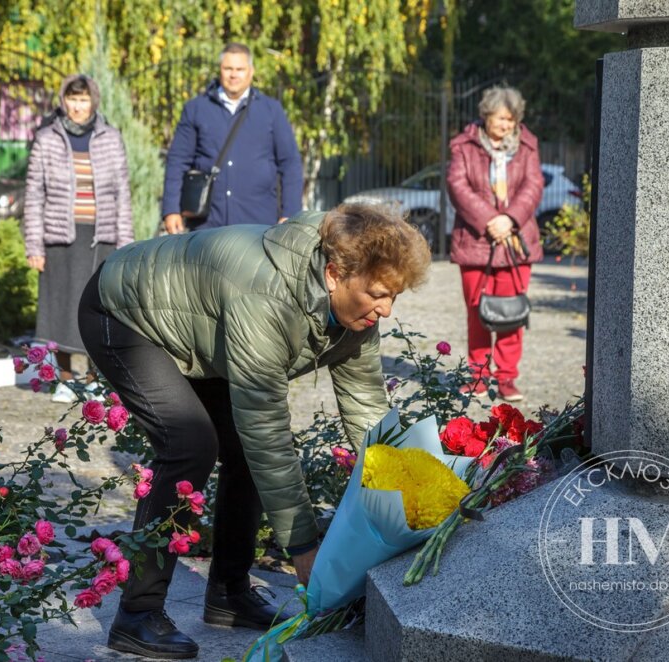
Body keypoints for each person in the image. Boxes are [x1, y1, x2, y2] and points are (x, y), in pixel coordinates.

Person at [78, 204, 431, 659]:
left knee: (242, 447)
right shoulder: (267, 297)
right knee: (190, 445)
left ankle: (229, 593)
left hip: (200, 328)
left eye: (394, 297)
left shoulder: (358, 313)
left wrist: (413, 497)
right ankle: (137, 616)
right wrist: (304, 550)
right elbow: (266, 429)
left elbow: (367, 408)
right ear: (333, 274)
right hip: (124, 312)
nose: (385, 309)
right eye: (380, 294)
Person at [23, 74, 134, 402]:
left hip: (101, 237)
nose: (78, 106)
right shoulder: (47, 138)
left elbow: (122, 193)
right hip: (60, 236)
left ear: (93, 101)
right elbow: (33, 193)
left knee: (97, 310)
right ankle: (65, 379)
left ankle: (92, 379)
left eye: (84, 100)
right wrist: (34, 245)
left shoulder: (110, 138)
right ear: (63, 100)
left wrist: (125, 243)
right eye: (72, 99)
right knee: (60, 309)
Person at [447, 85, 544, 402]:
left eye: (511, 119)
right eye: (501, 118)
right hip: (476, 241)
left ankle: (506, 379)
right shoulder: (464, 145)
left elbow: (534, 185)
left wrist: (510, 219)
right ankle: (477, 376)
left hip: (516, 242)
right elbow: (457, 184)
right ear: (486, 116)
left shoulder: (528, 146)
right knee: (477, 312)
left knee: (511, 314)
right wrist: (490, 219)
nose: (506, 125)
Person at [161, 42, 303, 234]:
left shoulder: (271, 111)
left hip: (257, 227)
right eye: (228, 68)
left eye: (240, 69)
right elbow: (177, 161)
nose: (233, 74)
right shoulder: (196, 109)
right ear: (220, 70)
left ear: (251, 72)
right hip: (207, 228)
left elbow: (290, 163)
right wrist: (171, 209)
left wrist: (291, 214)